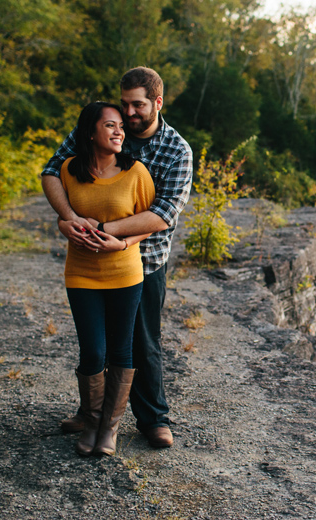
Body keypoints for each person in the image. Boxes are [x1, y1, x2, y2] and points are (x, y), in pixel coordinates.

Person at [41, 67, 193, 449]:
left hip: (145, 260)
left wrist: (110, 232)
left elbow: (164, 212)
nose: (128, 113)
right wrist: (69, 219)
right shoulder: (101, 127)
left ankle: (152, 418)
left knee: (140, 341)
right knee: (95, 342)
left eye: (137, 105)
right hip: (90, 260)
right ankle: (91, 414)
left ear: (157, 103)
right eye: (124, 104)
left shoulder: (176, 150)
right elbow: (52, 170)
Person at [59, 101, 154, 456]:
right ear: (90, 131)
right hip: (81, 273)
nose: (119, 131)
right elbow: (65, 216)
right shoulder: (69, 169)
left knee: (120, 349)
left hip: (125, 273)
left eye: (121, 127)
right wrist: (64, 225)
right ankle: (93, 419)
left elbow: (149, 222)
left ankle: (109, 429)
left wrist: (124, 241)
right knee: (93, 350)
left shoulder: (136, 173)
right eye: (110, 125)